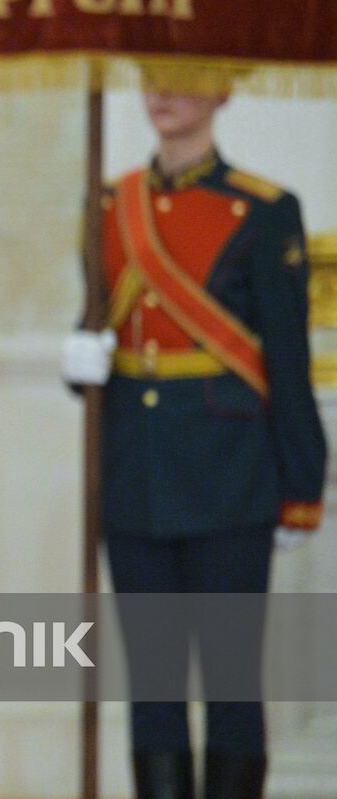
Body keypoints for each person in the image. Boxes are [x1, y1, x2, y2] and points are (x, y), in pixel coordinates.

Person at [63, 69, 327, 799]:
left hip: (232, 481)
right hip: (134, 477)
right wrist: (77, 360)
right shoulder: (110, 205)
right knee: (152, 685)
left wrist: (303, 484)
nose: (164, 92)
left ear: (223, 92)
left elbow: (288, 361)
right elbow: (98, 332)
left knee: (233, 679)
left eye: (185, 79)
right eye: (153, 78)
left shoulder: (266, 211)